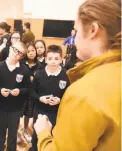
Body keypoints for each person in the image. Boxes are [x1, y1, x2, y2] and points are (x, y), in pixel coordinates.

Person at [34, 0, 121, 150]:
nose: (74, 38)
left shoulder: (85, 93)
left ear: (93, 30)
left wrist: (43, 133)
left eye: (77, 30)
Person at [0, 41, 31, 151]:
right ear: (10, 48)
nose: (16, 53)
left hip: (15, 108)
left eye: (20, 53)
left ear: (22, 56)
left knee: (13, 134)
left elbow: (28, 89)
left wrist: (20, 91)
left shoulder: (25, 70)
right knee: (0, 133)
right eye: (15, 50)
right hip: (0, 107)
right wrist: (0, 90)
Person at [31, 45, 70, 151]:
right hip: (40, 111)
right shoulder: (39, 74)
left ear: (61, 60)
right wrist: (40, 98)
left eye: (56, 59)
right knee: (36, 136)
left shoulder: (66, 75)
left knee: (54, 136)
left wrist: (60, 100)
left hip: (56, 113)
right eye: (50, 59)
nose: (53, 61)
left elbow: (69, 95)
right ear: (45, 59)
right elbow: (32, 92)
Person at [21, 42, 41, 143]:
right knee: (19, 113)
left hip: (32, 93)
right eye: (28, 51)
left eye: (33, 50)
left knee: (28, 114)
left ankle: (25, 130)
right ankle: (16, 132)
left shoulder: (39, 65)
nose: (31, 53)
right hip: (22, 93)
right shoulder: (22, 64)